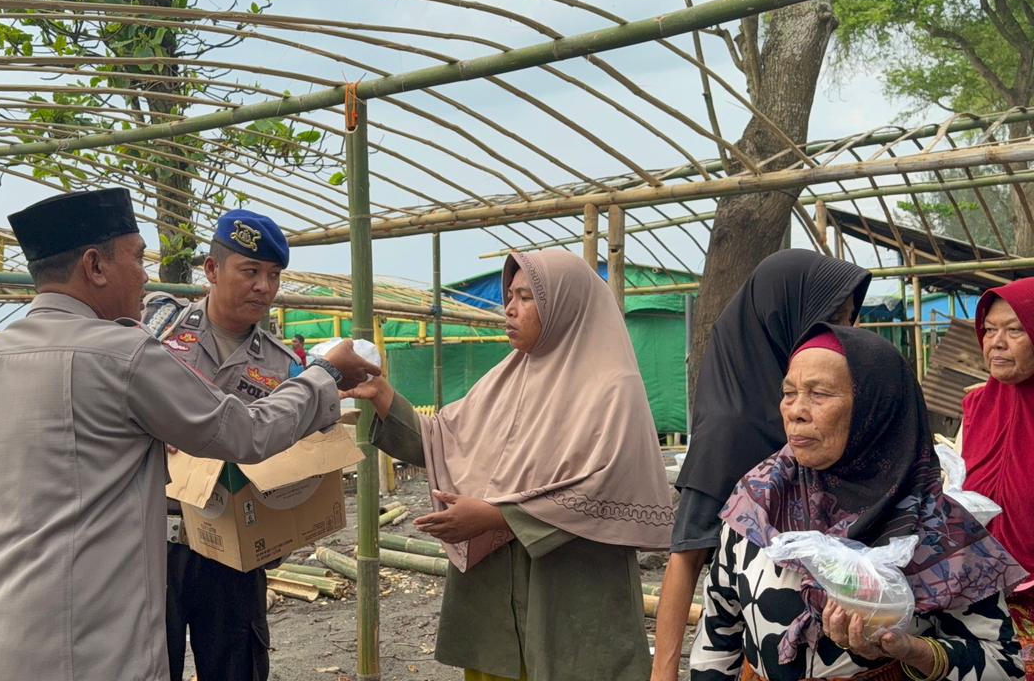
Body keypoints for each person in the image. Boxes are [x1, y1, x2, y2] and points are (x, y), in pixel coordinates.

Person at [0, 189, 379, 681]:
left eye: (273, 275)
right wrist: (324, 375)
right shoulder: (127, 353)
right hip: (97, 643)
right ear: (96, 266)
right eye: (138, 258)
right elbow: (245, 433)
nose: (145, 276)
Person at [346, 249, 673, 681]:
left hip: (571, 596)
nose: (510, 309)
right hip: (497, 598)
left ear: (565, 304)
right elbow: (445, 440)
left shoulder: (613, 387)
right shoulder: (507, 378)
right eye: (510, 296)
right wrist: (383, 394)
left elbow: (608, 487)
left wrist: (497, 516)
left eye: (526, 297)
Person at [690, 325, 1027, 681]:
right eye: (789, 393)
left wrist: (914, 652)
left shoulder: (941, 531)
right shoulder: (758, 504)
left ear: (876, 408)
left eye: (819, 394)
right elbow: (717, 635)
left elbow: (1005, 665)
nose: (796, 411)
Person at [654, 249, 871, 681]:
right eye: (832, 318)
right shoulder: (732, 428)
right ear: (783, 319)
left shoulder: (835, 409)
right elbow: (686, 556)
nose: (846, 332)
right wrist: (664, 672)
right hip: (761, 650)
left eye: (850, 318)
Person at [141, 209, 302, 681]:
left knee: (238, 667)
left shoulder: (282, 365)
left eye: (273, 275)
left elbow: (291, 456)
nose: (264, 287)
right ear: (212, 269)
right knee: (150, 666)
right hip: (154, 543)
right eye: (250, 271)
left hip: (236, 546)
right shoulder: (158, 333)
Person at [962, 278, 1034, 674]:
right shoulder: (976, 406)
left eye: (1015, 330)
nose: (997, 343)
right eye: (989, 330)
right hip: (981, 600)